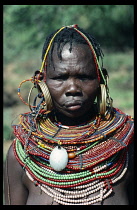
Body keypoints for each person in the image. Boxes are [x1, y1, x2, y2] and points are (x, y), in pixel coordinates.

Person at [4, 24, 134, 205]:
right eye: (60, 78)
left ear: (101, 79)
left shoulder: (126, 146)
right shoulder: (23, 153)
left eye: (84, 77)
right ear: (41, 81)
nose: (73, 88)